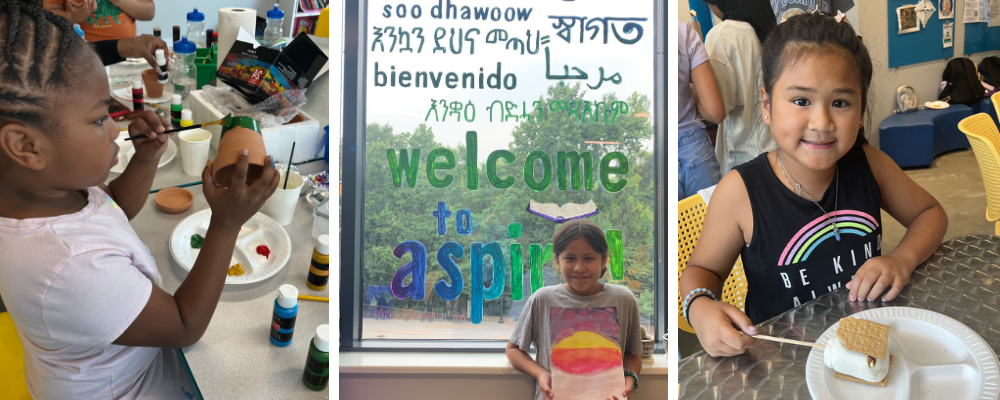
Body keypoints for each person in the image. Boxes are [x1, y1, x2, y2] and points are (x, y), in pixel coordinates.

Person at [0, 2, 279, 398]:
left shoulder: (47, 192)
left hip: (109, 363)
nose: (116, 130)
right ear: (25, 146)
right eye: (99, 119)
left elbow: (112, 205)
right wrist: (226, 223)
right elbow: (185, 326)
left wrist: (146, 158)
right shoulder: (71, 269)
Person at [679, 12, 948, 358]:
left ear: (862, 107)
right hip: (781, 361)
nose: (822, 122)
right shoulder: (740, 192)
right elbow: (703, 270)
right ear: (767, 105)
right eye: (801, 101)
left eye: (840, 103)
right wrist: (699, 308)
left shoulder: (870, 165)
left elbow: (930, 213)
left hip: (863, 347)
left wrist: (902, 258)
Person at [506, 220, 643, 400]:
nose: (579, 268)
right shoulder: (542, 299)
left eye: (589, 258)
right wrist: (540, 374)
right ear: (556, 261)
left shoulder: (624, 299)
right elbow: (513, 349)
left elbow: (633, 354)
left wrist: (630, 376)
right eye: (570, 258)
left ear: (604, 261)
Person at [703, 0, 777, 174]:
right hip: (776, 150)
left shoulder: (722, 35)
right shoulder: (771, 29)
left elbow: (717, 108)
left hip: (743, 158)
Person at [679, 21, 725, 200]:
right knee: (716, 226)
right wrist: (690, 91)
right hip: (693, 149)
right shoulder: (682, 32)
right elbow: (715, 112)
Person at [42, 0, 155, 42]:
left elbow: (149, 13)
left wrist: (122, 2)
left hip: (129, 57)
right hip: (81, 55)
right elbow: (47, 15)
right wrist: (73, 17)